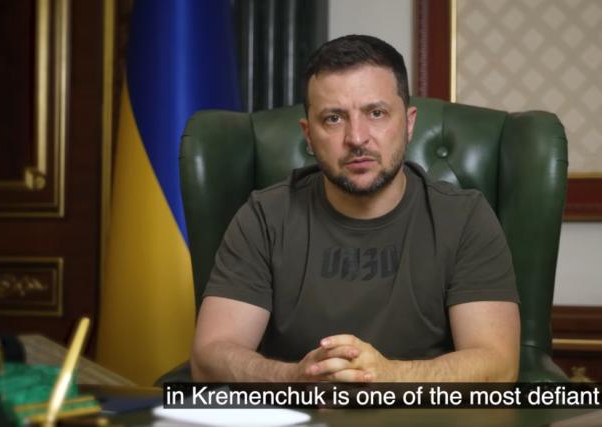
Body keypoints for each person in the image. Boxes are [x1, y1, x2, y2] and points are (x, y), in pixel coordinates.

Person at [190, 35, 520, 383]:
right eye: (334, 118)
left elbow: (499, 367)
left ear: (409, 124)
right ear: (308, 135)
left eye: (376, 113)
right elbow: (209, 358)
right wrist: (296, 378)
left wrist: (389, 377)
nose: (357, 138)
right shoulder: (264, 217)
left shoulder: (464, 219)